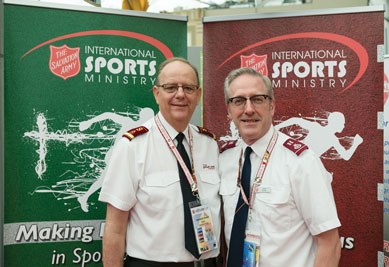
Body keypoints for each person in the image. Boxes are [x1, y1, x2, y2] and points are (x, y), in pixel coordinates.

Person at [99, 57, 221, 267]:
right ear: (157, 93)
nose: (180, 95)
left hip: (206, 262)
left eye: (188, 88)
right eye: (171, 87)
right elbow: (115, 229)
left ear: (198, 95)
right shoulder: (133, 146)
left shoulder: (210, 144)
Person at [219, 67, 341, 267]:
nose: (248, 109)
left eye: (257, 99)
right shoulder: (224, 158)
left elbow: (329, 243)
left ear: (272, 106)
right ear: (229, 110)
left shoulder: (301, 162)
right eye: (239, 101)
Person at [275, 112, 363, 160]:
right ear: (336, 123)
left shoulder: (332, 138)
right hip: (297, 157)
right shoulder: (330, 137)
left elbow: (295, 120)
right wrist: (356, 144)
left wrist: (277, 127)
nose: (343, 126)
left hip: (302, 160)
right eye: (342, 123)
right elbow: (346, 156)